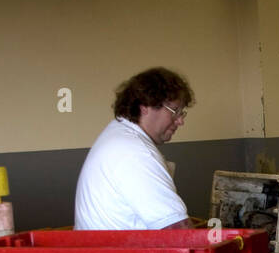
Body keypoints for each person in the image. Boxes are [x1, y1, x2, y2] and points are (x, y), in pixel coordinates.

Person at [75, 67, 194, 230]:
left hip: (103, 250)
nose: (180, 121)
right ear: (145, 105)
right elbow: (177, 230)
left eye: (182, 113)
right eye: (175, 111)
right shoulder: (136, 153)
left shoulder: (118, 135)